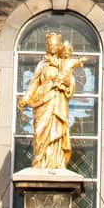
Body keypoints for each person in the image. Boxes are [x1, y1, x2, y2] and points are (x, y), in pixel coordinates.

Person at [17, 33, 77, 170]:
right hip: (41, 102)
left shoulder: (63, 64)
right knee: (39, 132)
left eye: (55, 45)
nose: (52, 47)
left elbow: (71, 84)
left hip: (57, 103)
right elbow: (33, 83)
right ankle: (39, 162)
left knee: (56, 132)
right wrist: (26, 98)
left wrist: (62, 82)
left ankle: (55, 163)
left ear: (59, 47)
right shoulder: (42, 64)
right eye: (50, 45)